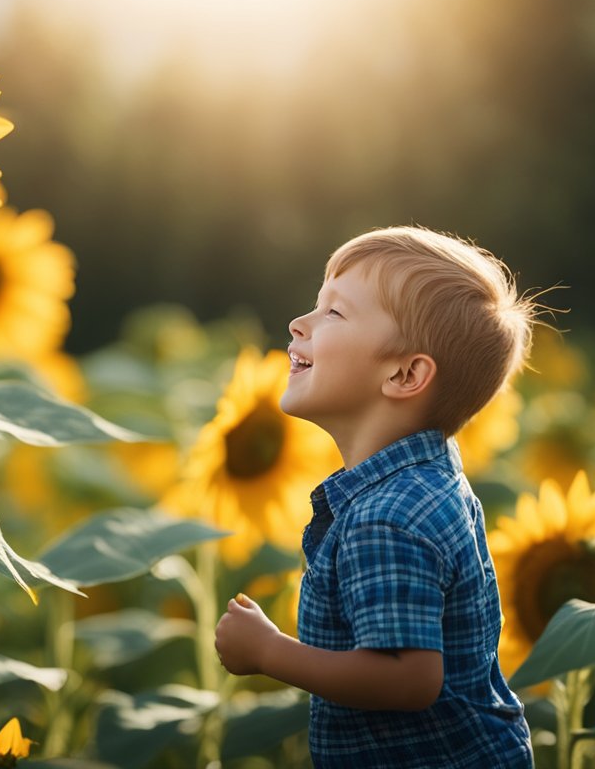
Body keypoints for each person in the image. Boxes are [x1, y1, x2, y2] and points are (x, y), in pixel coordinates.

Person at [214, 226, 536, 768]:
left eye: (334, 314)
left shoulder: (384, 518)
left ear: (405, 374)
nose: (300, 323)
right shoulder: (431, 475)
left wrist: (270, 652)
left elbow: (408, 678)